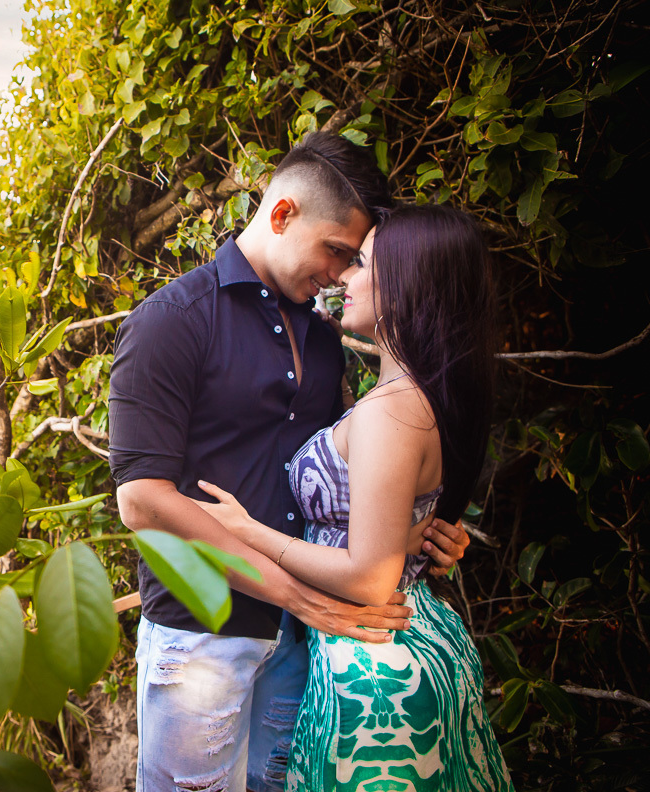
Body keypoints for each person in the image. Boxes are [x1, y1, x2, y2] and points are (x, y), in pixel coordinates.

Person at [108, 132, 469, 792]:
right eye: (336, 251)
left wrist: (417, 531)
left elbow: (343, 481)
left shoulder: (324, 339)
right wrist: (298, 595)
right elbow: (144, 501)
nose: (340, 273)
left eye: (353, 259)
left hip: (305, 638)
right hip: (202, 634)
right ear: (281, 215)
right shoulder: (172, 321)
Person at [196, 206, 514, 790]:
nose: (342, 275)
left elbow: (369, 577)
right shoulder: (410, 395)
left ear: (405, 286)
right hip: (389, 643)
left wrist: (248, 531)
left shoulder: (393, 410)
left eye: (360, 261)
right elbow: (383, 534)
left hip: (375, 671)